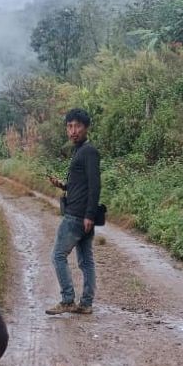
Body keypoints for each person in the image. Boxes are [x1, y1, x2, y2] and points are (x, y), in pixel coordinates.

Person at [46, 108, 102, 316]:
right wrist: (63, 186)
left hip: (77, 216)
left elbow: (95, 186)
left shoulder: (89, 152)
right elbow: (82, 184)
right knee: (85, 261)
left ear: (86, 128)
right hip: (82, 215)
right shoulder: (80, 151)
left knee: (58, 256)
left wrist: (89, 214)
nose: (73, 131)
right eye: (69, 126)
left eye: (77, 126)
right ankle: (85, 303)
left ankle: (68, 299)